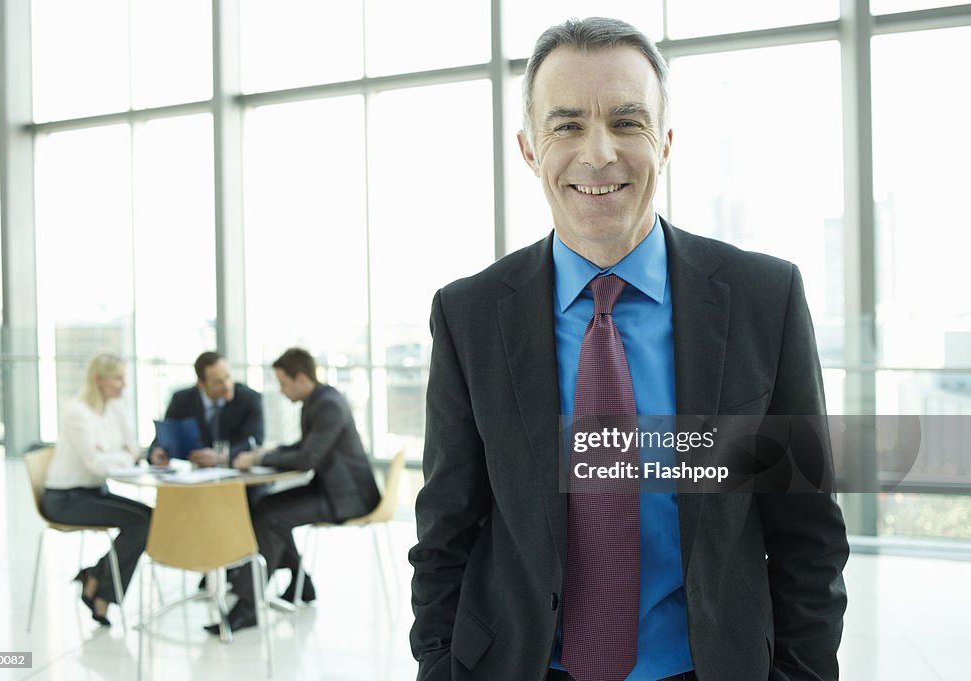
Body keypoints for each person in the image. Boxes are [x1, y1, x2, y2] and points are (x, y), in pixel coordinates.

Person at [409, 17, 849, 681]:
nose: (599, 153)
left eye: (626, 121)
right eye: (566, 125)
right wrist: (440, 666)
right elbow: (446, 530)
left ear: (665, 141)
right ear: (530, 148)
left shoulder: (764, 300)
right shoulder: (468, 316)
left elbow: (807, 534)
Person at [204, 347, 381, 633]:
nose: (282, 391)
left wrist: (260, 458)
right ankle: (301, 582)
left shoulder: (327, 405)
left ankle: (247, 607)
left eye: (284, 383)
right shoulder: (318, 401)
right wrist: (269, 451)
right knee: (265, 507)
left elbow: (308, 458)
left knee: (272, 516)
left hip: (348, 498)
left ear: (301, 378)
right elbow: (303, 447)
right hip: (329, 489)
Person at [40, 353, 152, 627]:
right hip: (64, 498)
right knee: (142, 522)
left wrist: (113, 454)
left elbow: (134, 450)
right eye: (118, 379)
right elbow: (95, 464)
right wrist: (119, 456)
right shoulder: (77, 412)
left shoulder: (115, 406)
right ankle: (101, 592)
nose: (123, 385)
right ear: (98, 379)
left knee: (151, 517)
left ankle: (94, 577)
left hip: (94, 491)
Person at [150, 351, 264, 467]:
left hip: (239, 475)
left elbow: (255, 441)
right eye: (218, 382)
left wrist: (222, 457)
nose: (227, 385)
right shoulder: (182, 400)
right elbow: (164, 436)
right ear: (200, 384)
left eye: (227, 377)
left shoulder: (249, 398)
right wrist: (157, 452)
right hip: (195, 475)